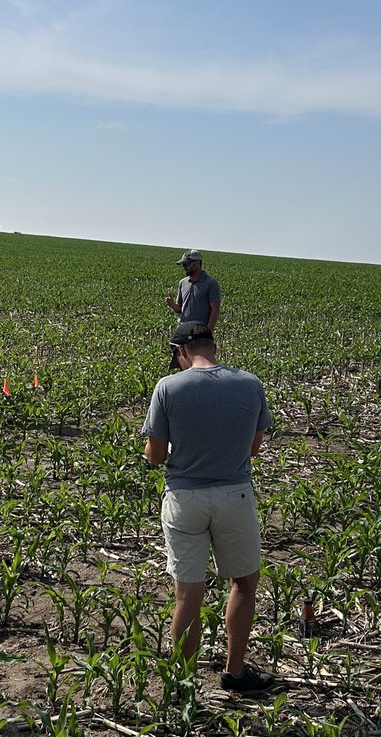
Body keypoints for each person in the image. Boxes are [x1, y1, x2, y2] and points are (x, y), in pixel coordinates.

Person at [142, 322, 274, 694]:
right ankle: (234, 674)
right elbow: (253, 449)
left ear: (181, 351)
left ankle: (183, 684)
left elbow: (154, 456)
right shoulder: (250, 384)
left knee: (187, 594)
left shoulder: (168, 388)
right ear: (212, 346)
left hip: (185, 500)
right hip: (235, 496)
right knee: (244, 584)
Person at [166, 250, 220, 369]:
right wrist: (171, 304)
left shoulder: (210, 284)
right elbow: (179, 308)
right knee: (181, 365)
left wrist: (208, 332)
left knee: (200, 365)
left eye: (186, 264)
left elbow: (215, 310)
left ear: (195, 264)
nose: (184, 268)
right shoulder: (183, 283)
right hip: (182, 331)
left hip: (199, 334)